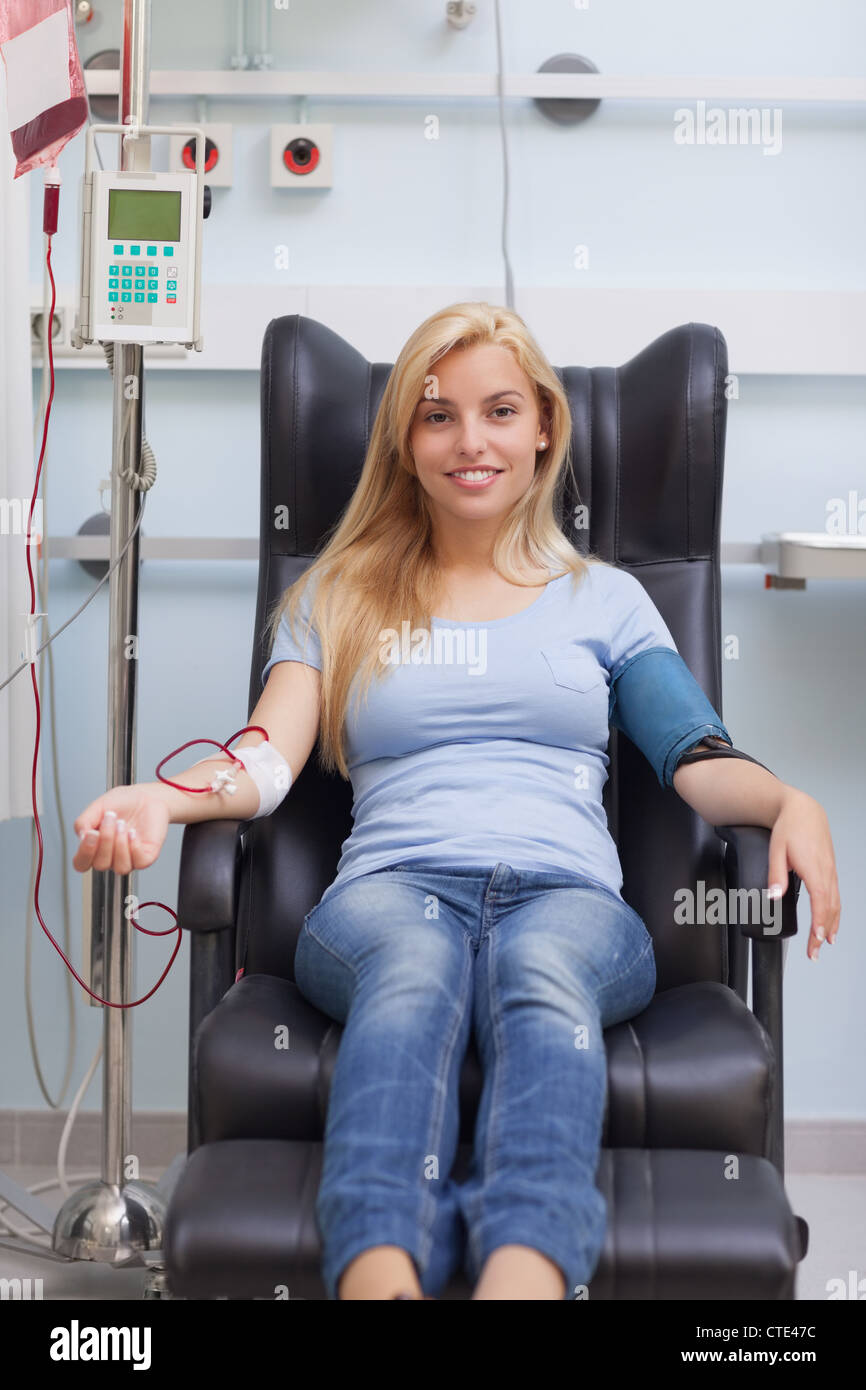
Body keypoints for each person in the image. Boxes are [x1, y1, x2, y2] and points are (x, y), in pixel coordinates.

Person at [73, 301, 841, 1301]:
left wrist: (790, 800)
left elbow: (694, 759)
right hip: (390, 894)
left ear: (541, 431)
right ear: (404, 438)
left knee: (540, 972)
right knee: (412, 972)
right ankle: (377, 1276)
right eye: (437, 415)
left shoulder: (603, 600)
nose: (469, 440)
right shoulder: (335, 595)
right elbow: (263, 758)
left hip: (566, 900)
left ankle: (520, 1279)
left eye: (498, 411)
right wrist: (161, 801)